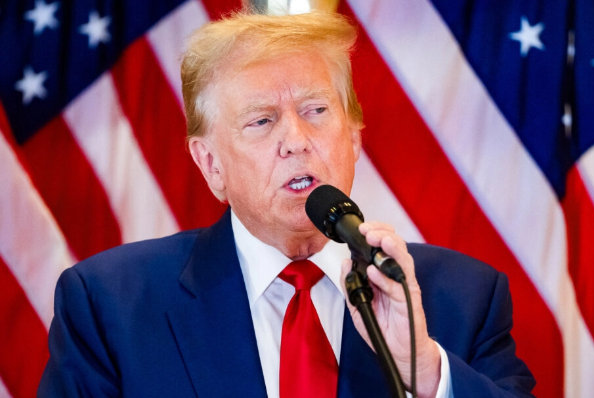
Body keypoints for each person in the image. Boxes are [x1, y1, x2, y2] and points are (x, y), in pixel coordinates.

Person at [38, 10, 535, 398]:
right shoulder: (111, 305)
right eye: (262, 121)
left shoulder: (463, 296)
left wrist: (424, 371)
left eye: (316, 111)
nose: (296, 140)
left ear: (354, 141)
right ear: (211, 164)